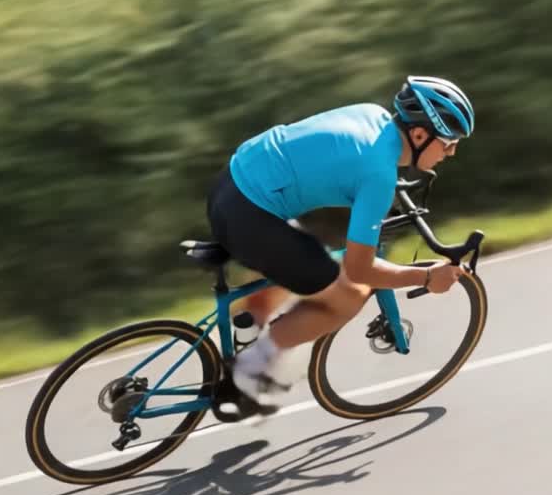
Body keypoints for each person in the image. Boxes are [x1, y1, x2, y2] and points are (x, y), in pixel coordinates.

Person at [203, 75, 475, 415]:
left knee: (309, 259)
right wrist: (425, 278)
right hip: (249, 217)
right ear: (419, 135)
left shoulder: (372, 115)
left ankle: (248, 321)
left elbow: (337, 155)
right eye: (449, 142)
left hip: (232, 180)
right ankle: (247, 372)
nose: (452, 151)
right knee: (350, 294)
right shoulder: (378, 175)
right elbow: (360, 268)